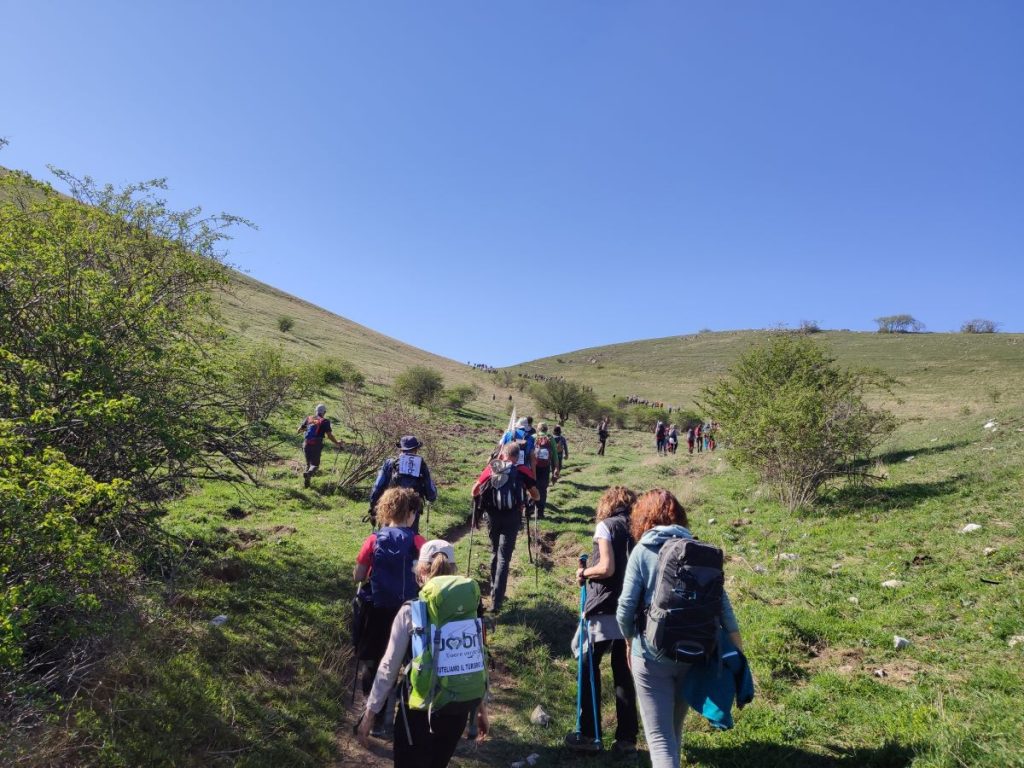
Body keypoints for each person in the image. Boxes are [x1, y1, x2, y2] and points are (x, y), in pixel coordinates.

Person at [616, 489, 743, 768]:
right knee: (674, 729)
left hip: (649, 655)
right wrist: (737, 652)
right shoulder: (699, 551)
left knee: (659, 739)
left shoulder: (642, 550)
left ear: (641, 519)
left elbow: (625, 608)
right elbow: (724, 607)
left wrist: (628, 641)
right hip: (692, 651)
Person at [356, 540, 490, 766]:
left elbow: (389, 667)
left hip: (418, 709)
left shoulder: (412, 610)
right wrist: (480, 708)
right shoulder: (470, 609)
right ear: (454, 570)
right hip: (457, 708)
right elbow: (473, 660)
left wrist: (369, 715)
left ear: (420, 571)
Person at [565, 487, 640, 754]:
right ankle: (627, 740)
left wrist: (585, 571)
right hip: (633, 608)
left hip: (606, 606)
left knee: (588, 665)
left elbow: (607, 567)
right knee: (624, 670)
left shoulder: (605, 526)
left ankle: (587, 734)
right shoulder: (639, 528)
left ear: (608, 504)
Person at [352, 488, 425, 735]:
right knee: (408, 665)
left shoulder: (373, 540)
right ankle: (400, 718)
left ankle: (374, 717)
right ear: (411, 513)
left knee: (375, 662)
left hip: (377, 610)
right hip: (409, 612)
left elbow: (359, 575)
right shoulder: (418, 542)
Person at [471, 442, 539, 613]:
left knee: (495, 552)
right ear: (517, 456)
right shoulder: (522, 470)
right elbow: (536, 494)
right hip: (512, 517)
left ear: (503, 454)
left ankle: (494, 589)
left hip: (492, 517)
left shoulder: (492, 468)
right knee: (504, 557)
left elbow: (474, 491)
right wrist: (531, 498)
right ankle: (497, 600)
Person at [368, 435, 438, 532]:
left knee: (384, 539)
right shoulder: (421, 465)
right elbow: (431, 494)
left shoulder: (390, 463)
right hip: (411, 513)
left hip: (389, 507)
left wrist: (373, 509)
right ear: (416, 449)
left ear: (401, 449)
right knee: (408, 543)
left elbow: (377, 487)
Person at [297, 403, 341, 487]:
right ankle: (309, 474)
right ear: (324, 412)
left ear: (316, 411)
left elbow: (299, 430)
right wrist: (337, 442)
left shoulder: (309, 418)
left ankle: (307, 484)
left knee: (308, 464)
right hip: (316, 444)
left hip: (306, 443)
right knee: (315, 465)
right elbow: (329, 435)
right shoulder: (325, 421)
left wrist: (305, 428)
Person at [533, 423, 559, 519]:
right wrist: (556, 468)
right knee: (543, 490)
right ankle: (540, 513)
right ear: (547, 429)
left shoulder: (533, 437)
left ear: (538, 428)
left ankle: (531, 509)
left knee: (532, 487)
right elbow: (555, 455)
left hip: (534, 467)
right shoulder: (550, 438)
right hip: (545, 468)